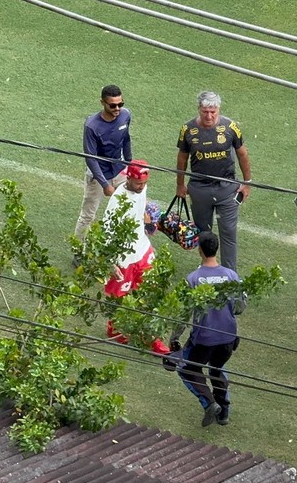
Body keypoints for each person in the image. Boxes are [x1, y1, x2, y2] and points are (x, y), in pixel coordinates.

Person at [172, 231, 244, 427]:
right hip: (228, 338)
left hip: (204, 339)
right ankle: (224, 412)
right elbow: (240, 307)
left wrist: (174, 338)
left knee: (186, 368)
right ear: (216, 249)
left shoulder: (193, 279)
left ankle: (210, 403)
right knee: (217, 367)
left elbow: (183, 315)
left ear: (200, 250)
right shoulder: (231, 275)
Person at [175, 91, 251, 271]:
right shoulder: (187, 129)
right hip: (199, 189)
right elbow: (182, 158)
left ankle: (230, 275)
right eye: (205, 112)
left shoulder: (230, 127)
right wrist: (180, 184)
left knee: (228, 233)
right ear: (198, 109)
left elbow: (242, 154)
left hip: (227, 189)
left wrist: (247, 182)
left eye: (213, 112)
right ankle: (206, 268)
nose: (209, 116)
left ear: (218, 109)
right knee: (204, 233)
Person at [101, 160, 167, 355]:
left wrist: (147, 222)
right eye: (139, 183)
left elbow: (141, 205)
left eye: (144, 183)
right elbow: (107, 232)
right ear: (128, 178)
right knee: (118, 297)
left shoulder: (141, 189)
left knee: (150, 293)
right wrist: (110, 262)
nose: (142, 187)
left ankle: (151, 337)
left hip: (142, 250)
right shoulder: (117, 201)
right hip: (124, 258)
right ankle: (115, 329)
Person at [75, 84, 133, 244]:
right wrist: (105, 184)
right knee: (88, 216)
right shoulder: (92, 125)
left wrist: (130, 163)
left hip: (120, 171)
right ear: (102, 103)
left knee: (130, 209)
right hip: (98, 176)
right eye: (113, 105)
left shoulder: (125, 115)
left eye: (120, 104)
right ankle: (78, 250)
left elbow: (126, 138)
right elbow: (90, 158)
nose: (117, 108)